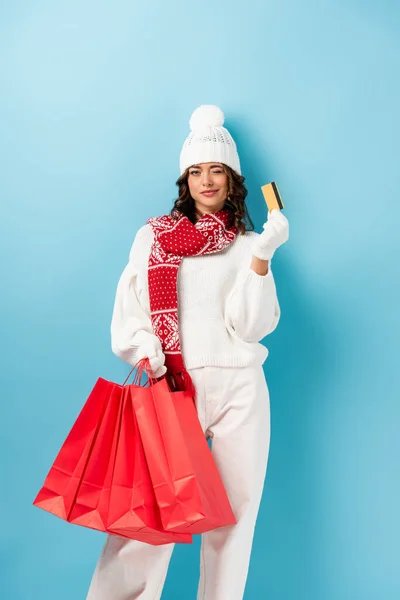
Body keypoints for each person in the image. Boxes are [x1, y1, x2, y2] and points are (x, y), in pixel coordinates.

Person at [86, 104, 289, 600]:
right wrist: (150, 357)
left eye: (216, 169)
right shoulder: (154, 238)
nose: (206, 180)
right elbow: (129, 311)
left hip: (241, 388)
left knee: (235, 522)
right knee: (149, 518)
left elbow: (251, 326)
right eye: (196, 171)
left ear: (231, 179)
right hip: (175, 386)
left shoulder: (245, 244)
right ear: (185, 179)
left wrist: (263, 255)